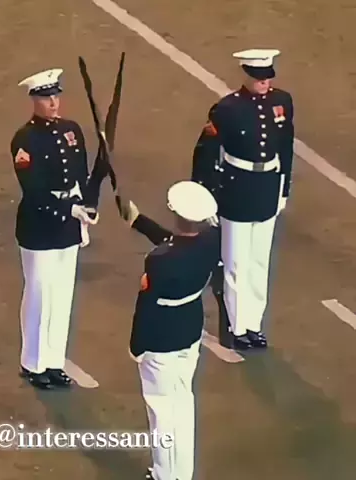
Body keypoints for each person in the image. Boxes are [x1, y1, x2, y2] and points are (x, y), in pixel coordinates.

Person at [191, 48, 295, 351]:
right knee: (236, 262)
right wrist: (205, 194)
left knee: (260, 262)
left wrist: (284, 187)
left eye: (267, 77)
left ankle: (253, 324)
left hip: (267, 186)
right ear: (247, 75)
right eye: (259, 77)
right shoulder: (227, 109)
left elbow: (285, 146)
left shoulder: (282, 101)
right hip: (236, 189)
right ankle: (237, 328)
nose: (265, 82)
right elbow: (206, 152)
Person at [118, 181, 220, 480]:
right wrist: (138, 221)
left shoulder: (159, 260)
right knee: (182, 405)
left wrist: (136, 347)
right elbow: (175, 242)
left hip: (161, 339)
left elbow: (146, 306)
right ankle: (180, 472)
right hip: (189, 329)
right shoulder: (212, 240)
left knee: (162, 410)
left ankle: (166, 475)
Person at [11, 68, 99, 390]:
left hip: (68, 225)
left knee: (62, 296)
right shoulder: (25, 139)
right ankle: (33, 363)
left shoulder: (71, 131)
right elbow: (33, 190)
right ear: (34, 100)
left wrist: (89, 205)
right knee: (39, 295)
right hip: (40, 226)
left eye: (55, 96)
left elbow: (83, 175)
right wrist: (69, 209)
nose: (53, 103)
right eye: (46, 97)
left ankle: (53, 361)